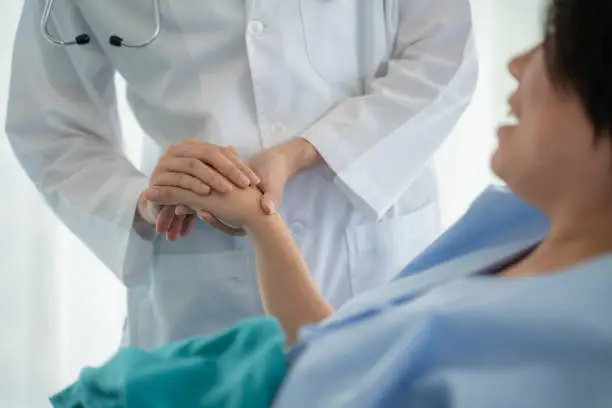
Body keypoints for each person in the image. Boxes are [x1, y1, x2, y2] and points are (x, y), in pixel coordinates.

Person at [57, 0, 611, 406]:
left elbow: (441, 57)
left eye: (556, 47)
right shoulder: (508, 224)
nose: (516, 64)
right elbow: (334, 344)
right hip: (203, 289)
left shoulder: (562, 339)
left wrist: (298, 160)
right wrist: (192, 205)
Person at [5, 1, 477, 348]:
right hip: (199, 272)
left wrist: (304, 152)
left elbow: (442, 56)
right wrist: (146, 200)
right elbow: (51, 125)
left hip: (369, 245)